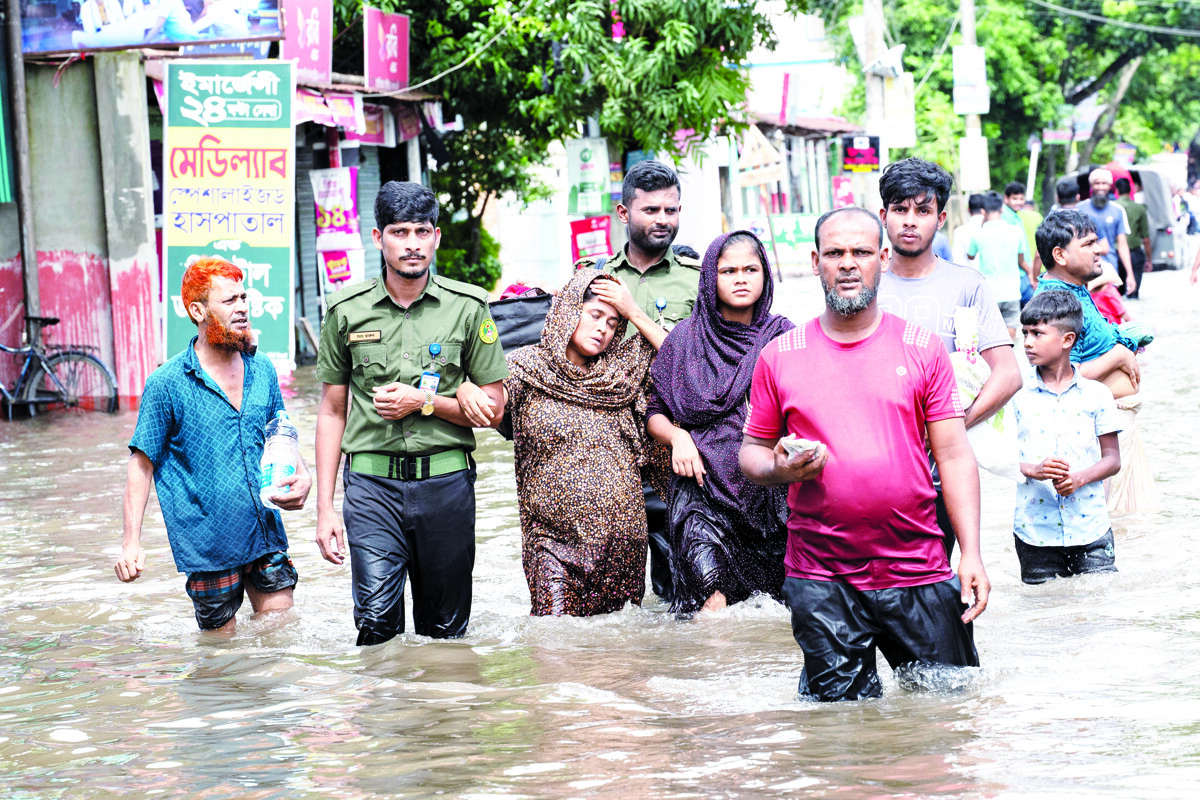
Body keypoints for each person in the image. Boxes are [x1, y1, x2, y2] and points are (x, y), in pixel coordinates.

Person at [739, 207, 988, 703]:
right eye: (834, 253)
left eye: (859, 253)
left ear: (883, 257)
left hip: (919, 567)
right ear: (815, 262)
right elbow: (751, 453)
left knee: (949, 714)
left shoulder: (922, 348)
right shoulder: (780, 355)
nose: (847, 264)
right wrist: (780, 468)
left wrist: (973, 555)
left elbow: (956, 456)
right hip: (821, 579)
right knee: (839, 730)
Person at [314, 182, 508, 646]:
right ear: (378, 238)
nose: (413, 244)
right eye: (400, 232)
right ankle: (385, 718)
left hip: (446, 484)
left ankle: (440, 717)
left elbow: (494, 409)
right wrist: (324, 509)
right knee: (377, 623)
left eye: (422, 231)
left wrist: (425, 402)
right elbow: (331, 410)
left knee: (446, 632)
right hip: (370, 485)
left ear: (436, 237)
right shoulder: (346, 310)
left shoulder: (468, 307)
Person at [115, 256, 311, 634]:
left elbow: (280, 436)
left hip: (264, 529)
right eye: (229, 301)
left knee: (282, 641)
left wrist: (304, 477)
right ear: (197, 310)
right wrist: (130, 544)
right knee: (222, 663)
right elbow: (141, 465)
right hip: (208, 546)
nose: (242, 308)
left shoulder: (263, 369)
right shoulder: (167, 383)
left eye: (243, 298)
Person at [876, 157, 1022, 558]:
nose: (910, 221)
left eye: (922, 211)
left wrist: (949, 428)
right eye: (900, 209)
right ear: (883, 215)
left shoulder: (967, 285)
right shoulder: (863, 285)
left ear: (940, 219)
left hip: (942, 470)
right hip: (873, 463)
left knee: (935, 575)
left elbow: (1008, 375)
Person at [502, 268, 667, 616]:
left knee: (618, 655)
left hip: (622, 543)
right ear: (568, 311)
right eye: (594, 315)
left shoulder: (621, 373)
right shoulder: (525, 367)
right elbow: (488, 406)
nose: (603, 329)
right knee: (557, 643)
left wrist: (634, 312)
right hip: (552, 540)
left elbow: (681, 359)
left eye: (612, 322)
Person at [646, 231, 794, 616]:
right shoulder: (684, 339)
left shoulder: (783, 337)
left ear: (766, 275)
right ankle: (714, 677)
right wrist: (678, 437)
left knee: (771, 610)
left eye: (750, 269)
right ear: (710, 277)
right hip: (702, 493)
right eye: (728, 271)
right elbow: (654, 412)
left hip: (766, 496)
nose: (741, 278)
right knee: (710, 598)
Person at [575, 160, 701, 603]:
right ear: (624, 213)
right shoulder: (591, 278)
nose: (663, 220)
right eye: (651, 210)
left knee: (679, 588)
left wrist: (632, 311)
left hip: (673, 447)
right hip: (608, 448)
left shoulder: (698, 280)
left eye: (671, 210)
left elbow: (694, 363)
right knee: (610, 595)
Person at [1033, 210, 1156, 515]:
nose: (1099, 249)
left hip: (1110, 434)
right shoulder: (1057, 304)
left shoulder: (1076, 290)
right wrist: (1118, 355)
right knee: (1105, 527)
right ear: (1060, 255)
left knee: (1131, 529)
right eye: (1088, 244)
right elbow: (1062, 379)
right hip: (1092, 444)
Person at [1014, 290, 1121, 583]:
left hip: (1092, 529)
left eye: (1037, 333)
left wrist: (1079, 478)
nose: (1026, 342)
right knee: (1045, 614)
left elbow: (1112, 460)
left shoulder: (1097, 394)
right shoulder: (1015, 394)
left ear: (1067, 340)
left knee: (1100, 605)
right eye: (1024, 332)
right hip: (1035, 533)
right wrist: (1033, 470)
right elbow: (999, 459)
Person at [967, 191, 1033, 337]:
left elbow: (970, 255)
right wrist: (1031, 274)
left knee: (991, 335)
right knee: (1011, 334)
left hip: (989, 294)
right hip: (1012, 292)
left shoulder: (978, 235)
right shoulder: (1015, 231)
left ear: (983, 211)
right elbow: (1021, 261)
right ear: (1002, 208)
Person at [1078, 168, 1137, 297]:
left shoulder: (1118, 210)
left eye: (1104, 183)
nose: (1100, 187)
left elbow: (1122, 244)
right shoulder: (1079, 209)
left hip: (1110, 270)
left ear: (1110, 186)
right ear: (1091, 186)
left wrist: (1130, 274)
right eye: (1097, 183)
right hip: (1084, 272)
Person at [1114, 177, 1150, 299]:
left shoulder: (1112, 208)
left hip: (1116, 255)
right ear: (1130, 191)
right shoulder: (1139, 208)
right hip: (1134, 253)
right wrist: (1149, 259)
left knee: (1115, 295)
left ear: (1117, 191)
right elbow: (1145, 237)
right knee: (1133, 293)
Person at [951, 192, 984, 266]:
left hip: (969, 275)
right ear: (985, 209)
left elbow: (957, 261)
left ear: (968, 209)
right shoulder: (991, 230)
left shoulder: (960, 232)